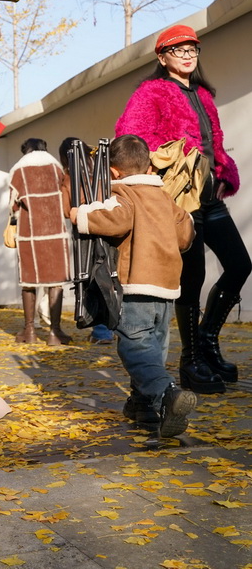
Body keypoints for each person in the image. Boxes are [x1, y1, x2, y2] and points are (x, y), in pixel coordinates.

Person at [116, 24, 250, 393]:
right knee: (191, 280)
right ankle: (191, 361)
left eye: (192, 48)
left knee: (240, 264)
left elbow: (214, 143)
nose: (188, 54)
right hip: (181, 201)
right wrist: (168, 166)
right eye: (178, 50)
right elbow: (131, 138)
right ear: (162, 57)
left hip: (211, 199)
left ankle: (207, 340)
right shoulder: (151, 92)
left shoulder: (204, 95)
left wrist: (223, 170)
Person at [70, 134, 196, 440]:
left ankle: (166, 392)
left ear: (113, 171)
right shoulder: (165, 197)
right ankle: (144, 406)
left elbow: (116, 220)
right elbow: (185, 234)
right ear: (149, 165)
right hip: (167, 286)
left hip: (138, 282)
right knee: (154, 347)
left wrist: (81, 215)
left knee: (133, 344)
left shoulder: (124, 193)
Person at [9, 138, 71, 346]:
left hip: (29, 233)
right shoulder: (56, 166)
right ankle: (54, 332)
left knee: (28, 281)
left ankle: (30, 331)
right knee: (56, 281)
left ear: (25, 150)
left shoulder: (19, 169)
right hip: (55, 231)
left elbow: (13, 205)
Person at [58, 137, 115, 346]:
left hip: (84, 232)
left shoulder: (69, 177)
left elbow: (67, 210)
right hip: (108, 227)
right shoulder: (103, 170)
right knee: (108, 273)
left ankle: (101, 331)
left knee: (90, 279)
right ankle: (111, 326)